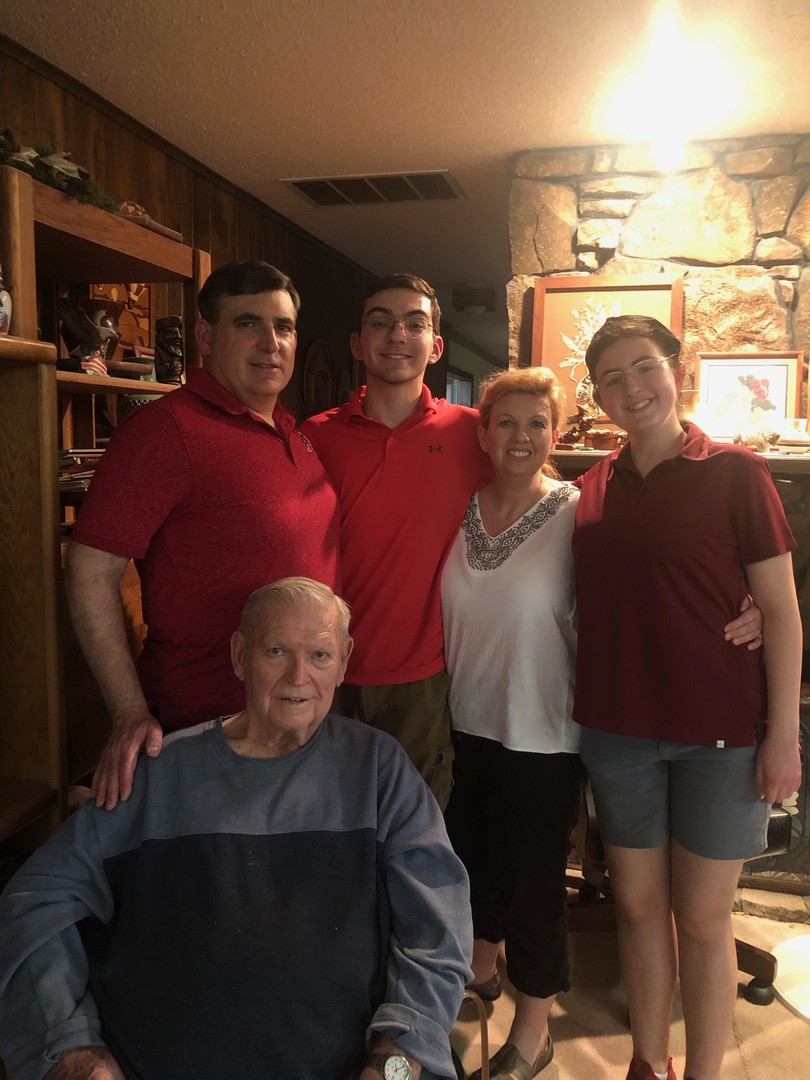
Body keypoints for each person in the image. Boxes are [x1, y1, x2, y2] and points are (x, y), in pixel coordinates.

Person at [0, 578, 472, 1080]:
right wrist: (69, 1047)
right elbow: (36, 898)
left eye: (319, 655)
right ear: (239, 656)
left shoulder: (378, 769)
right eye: (276, 651)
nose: (298, 676)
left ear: (343, 662)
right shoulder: (157, 772)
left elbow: (438, 929)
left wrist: (396, 1059)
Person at [572, 316, 802, 1080]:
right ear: (598, 395)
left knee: (702, 920)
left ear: (678, 371)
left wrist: (783, 737)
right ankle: (648, 1062)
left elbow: (782, 611)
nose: (631, 387)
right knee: (638, 908)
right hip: (619, 731)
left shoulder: (737, 473)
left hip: (720, 734)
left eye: (644, 367)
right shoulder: (588, 490)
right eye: (611, 377)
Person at [65, 261, 340, 809]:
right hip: (209, 730)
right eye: (248, 323)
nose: (270, 343)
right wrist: (128, 712)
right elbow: (89, 571)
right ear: (206, 336)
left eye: (284, 327)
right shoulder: (165, 431)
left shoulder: (297, 433)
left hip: (298, 713)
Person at [301, 274, 491, 808]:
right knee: (326, 818)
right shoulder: (314, 436)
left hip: (422, 676)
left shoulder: (473, 433)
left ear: (436, 346)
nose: (397, 335)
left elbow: (541, 492)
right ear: (358, 344)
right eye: (380, 322)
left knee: (415, 825)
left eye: (414, 323)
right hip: (322, 667)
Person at [442, 367, 580, 1080]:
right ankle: (479, 968)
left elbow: (647, 581)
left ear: (555, 434)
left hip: (543, 732)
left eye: (537, 423)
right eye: (507, 422)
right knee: (470, 864)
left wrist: (744, 606)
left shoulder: (577, 512)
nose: (521, 436)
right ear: (484, 432)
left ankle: (534, 1031)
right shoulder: (459, 505)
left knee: (533, 886)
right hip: (465, 722)